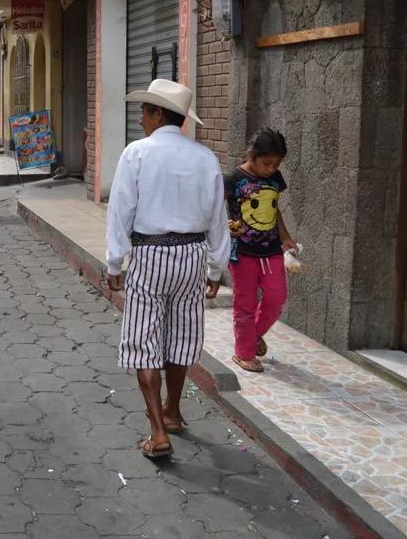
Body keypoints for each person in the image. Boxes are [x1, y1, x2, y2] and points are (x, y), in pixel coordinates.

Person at [105, 79, 230, 459]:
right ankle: (173, 412)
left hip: (151, 255)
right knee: (181, 337)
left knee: (144, 341)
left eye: (144, 112)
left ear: (158, 114)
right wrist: (215, 269)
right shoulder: (205, 157)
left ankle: (158, 432)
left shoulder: (136, 153)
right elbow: (218, 218)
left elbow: (121, 211)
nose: (140, 119)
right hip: (192, 256)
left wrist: (114, 261)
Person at [225, 128, 296, 373]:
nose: (271, 169)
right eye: (267, 163)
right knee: (245, 304)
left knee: (277, 297)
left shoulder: (275, 179)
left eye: (276, 164)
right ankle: (244, 353)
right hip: (241, 252)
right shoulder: (234, 179)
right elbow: (212, 207)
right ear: (252, 155)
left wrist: (285, 237)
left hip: (271, 250)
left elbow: (274, 209)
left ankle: (253, 336)